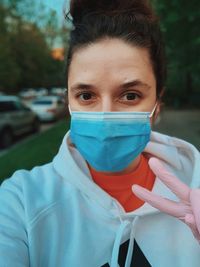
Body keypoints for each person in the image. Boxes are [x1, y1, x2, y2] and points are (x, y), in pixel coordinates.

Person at [0, 0, 200, 266]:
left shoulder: (195, 184)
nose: (106, 115)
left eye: (130, 95)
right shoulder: (20, 202)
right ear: (69, 102)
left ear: (157, 103)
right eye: (86, 95)